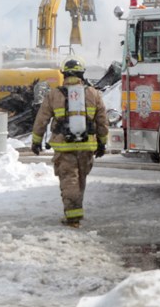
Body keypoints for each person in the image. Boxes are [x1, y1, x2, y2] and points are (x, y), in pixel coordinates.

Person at [30, 57, 109, 227]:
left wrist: (36, 142)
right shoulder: (93, 93)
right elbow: (102, 121)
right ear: (82, 74)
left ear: (64, 74)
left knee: (69, 180)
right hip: (87, 145)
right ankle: (75, 210)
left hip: (64, 146)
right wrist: (102, 143)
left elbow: (41, 120)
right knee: (80, 179)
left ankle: (73, 217)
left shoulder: (54, 94)